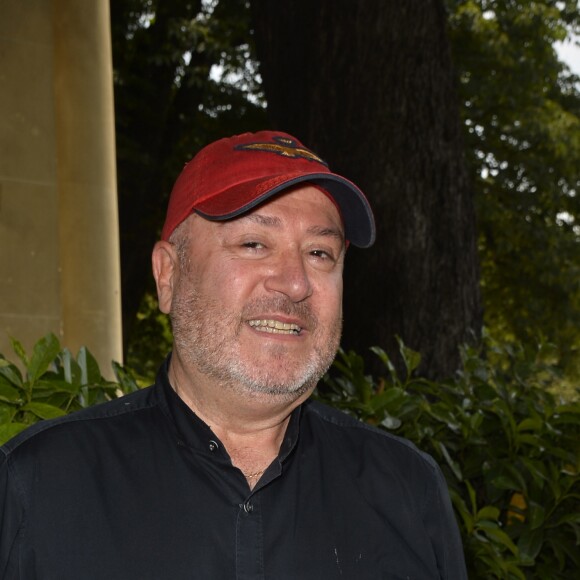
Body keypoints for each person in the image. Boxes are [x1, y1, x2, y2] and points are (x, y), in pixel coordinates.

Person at [0, 131, 467, 579]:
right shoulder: (37, 484)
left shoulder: (409, 491)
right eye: (254, 244)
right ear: (168, 275)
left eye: (321, 253)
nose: (296, 282)